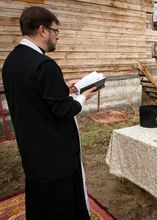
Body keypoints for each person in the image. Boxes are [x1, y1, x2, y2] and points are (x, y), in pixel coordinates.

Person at [2, 6, 97, 219]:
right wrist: (82, 97)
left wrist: (62, 87)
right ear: (43, 30)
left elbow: (33, 94)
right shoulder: (45, 65)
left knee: (41, 205)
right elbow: (63, 111)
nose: (57, 37)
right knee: (61, 207)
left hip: (32, 152)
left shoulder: (11, 62)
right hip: (55, 156)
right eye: (56, 31)